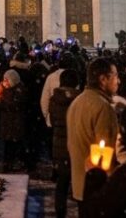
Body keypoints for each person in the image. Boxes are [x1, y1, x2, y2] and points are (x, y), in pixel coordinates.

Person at [66, 57, 119, 214]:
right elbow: (105, 151)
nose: (119, 81)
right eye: (115, 75)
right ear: (103, 79)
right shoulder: (102, 107)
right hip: (98, 186)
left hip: (81, 183)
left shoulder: (77, 102)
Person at [49, 69, 79, 218]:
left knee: (61, 183)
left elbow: (52, 120)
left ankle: (60, 214)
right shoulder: (78, 99)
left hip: (59, 144)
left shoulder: (54, 99)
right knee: (79, 183)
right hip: (76, 144)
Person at [0, 68, 27, 172]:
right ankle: (7, 163)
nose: (4, 82)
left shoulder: (19, 90)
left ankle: (16, 162)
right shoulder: (5, 89)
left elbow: (15, 105)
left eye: (6, 80)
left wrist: (2, 103)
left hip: (15, 122)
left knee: (15, 144)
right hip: (7, 122)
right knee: (8, 144)